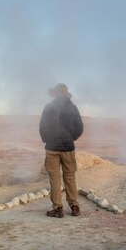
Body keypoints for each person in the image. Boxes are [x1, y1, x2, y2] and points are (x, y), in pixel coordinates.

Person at [39, 83, 84, 218]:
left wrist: (47, 140)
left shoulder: (48, 107)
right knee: (70, 176)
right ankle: (74, 207)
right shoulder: (72, 108)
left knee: (54, 178)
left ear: (55, 94)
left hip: (52, 148)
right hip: (68, 148)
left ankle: (58, 208)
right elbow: (79, 128)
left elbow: (42, 127)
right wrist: (71, 138)